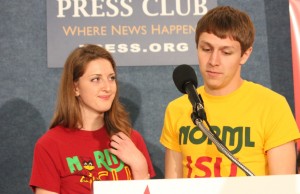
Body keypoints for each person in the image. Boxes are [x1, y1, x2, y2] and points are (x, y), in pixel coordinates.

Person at [160, 6, 300, 178]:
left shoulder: (272, 106)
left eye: (226, 52)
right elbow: (173, 185)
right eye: (206, 49)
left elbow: (282, 186)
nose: (213, 61)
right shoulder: (178, 109)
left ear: (245, 55)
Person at [29, 44, 155, 194]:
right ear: (75, 87)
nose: (107, 87)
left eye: (111, 78)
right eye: (96, 79)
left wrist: (140, 168)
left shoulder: (132, 139)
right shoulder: (50, 145)